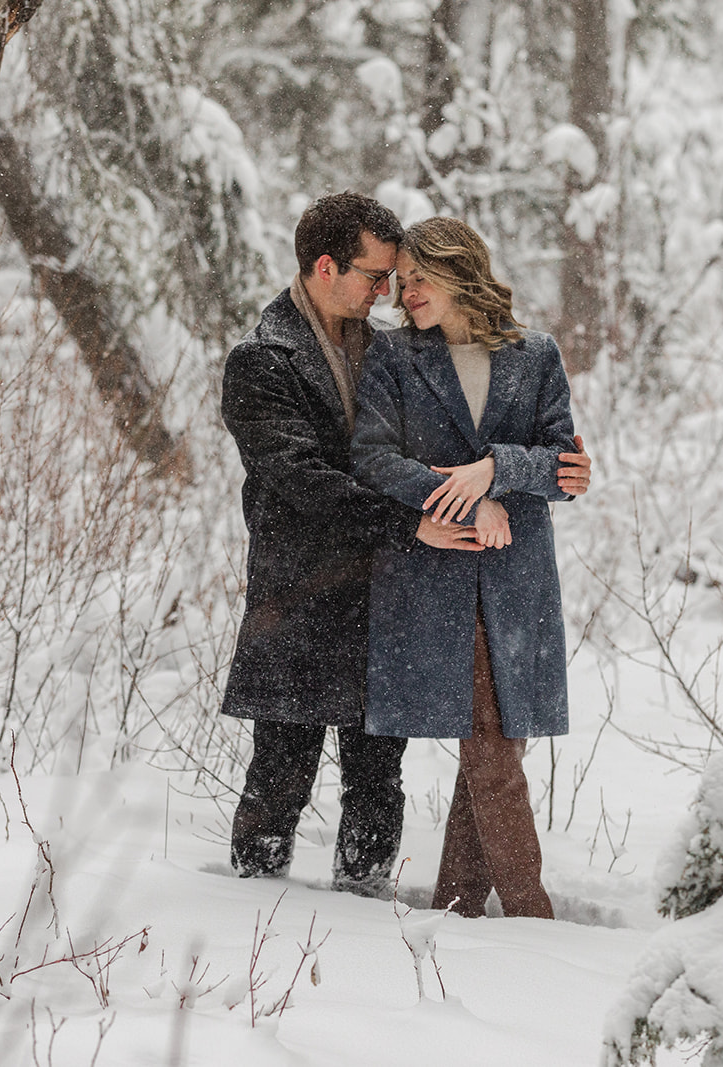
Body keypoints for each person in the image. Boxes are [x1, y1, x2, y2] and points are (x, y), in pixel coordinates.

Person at [219, 193, 589, 897]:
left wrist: (535, 469)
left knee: (375, 777)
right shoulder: (263, 361)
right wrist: (410, 519)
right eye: (376, 275)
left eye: (398, 277)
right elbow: (303, 480)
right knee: (281, 767)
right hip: (301, 592)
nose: (388, 291)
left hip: (385, 588)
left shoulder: (385, 343)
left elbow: (517, 446)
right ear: (327, 267)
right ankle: (247, 912)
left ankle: (368, 912)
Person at [351, 217, 577, 919]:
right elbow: (373, 457)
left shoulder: (535, 354)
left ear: (460, 271)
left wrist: (496, 470)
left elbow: (564, 469)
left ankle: (456, 906)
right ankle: (531, 913)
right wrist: (458, 500)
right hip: (434, 575)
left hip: (518, 583)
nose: (406, 292)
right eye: (402, 281)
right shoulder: (392, 358)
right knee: (491, 745)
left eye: (420, 277)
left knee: (493, 742)